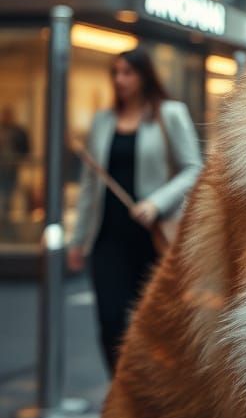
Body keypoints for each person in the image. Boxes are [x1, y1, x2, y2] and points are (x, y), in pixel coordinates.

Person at [68, 48, 202, 373]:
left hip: (151, 236)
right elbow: (90, 185)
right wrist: (78, 239)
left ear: (144, 76)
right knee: (111, 319)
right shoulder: (103, 120)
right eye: (116, 73)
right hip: (108, 236)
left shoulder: (169, 114)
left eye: (128, 72)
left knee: (156, 321)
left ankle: (153, 390)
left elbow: (194, 168)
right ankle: (121, 389)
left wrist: (156, 203)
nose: (120, 80)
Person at [0, 106, 30, 233]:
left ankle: (6, 225)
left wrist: (19, 158)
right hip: (2, 167)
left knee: (8, 196)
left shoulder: (18, 131)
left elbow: (25, 148)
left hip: (11, 168)